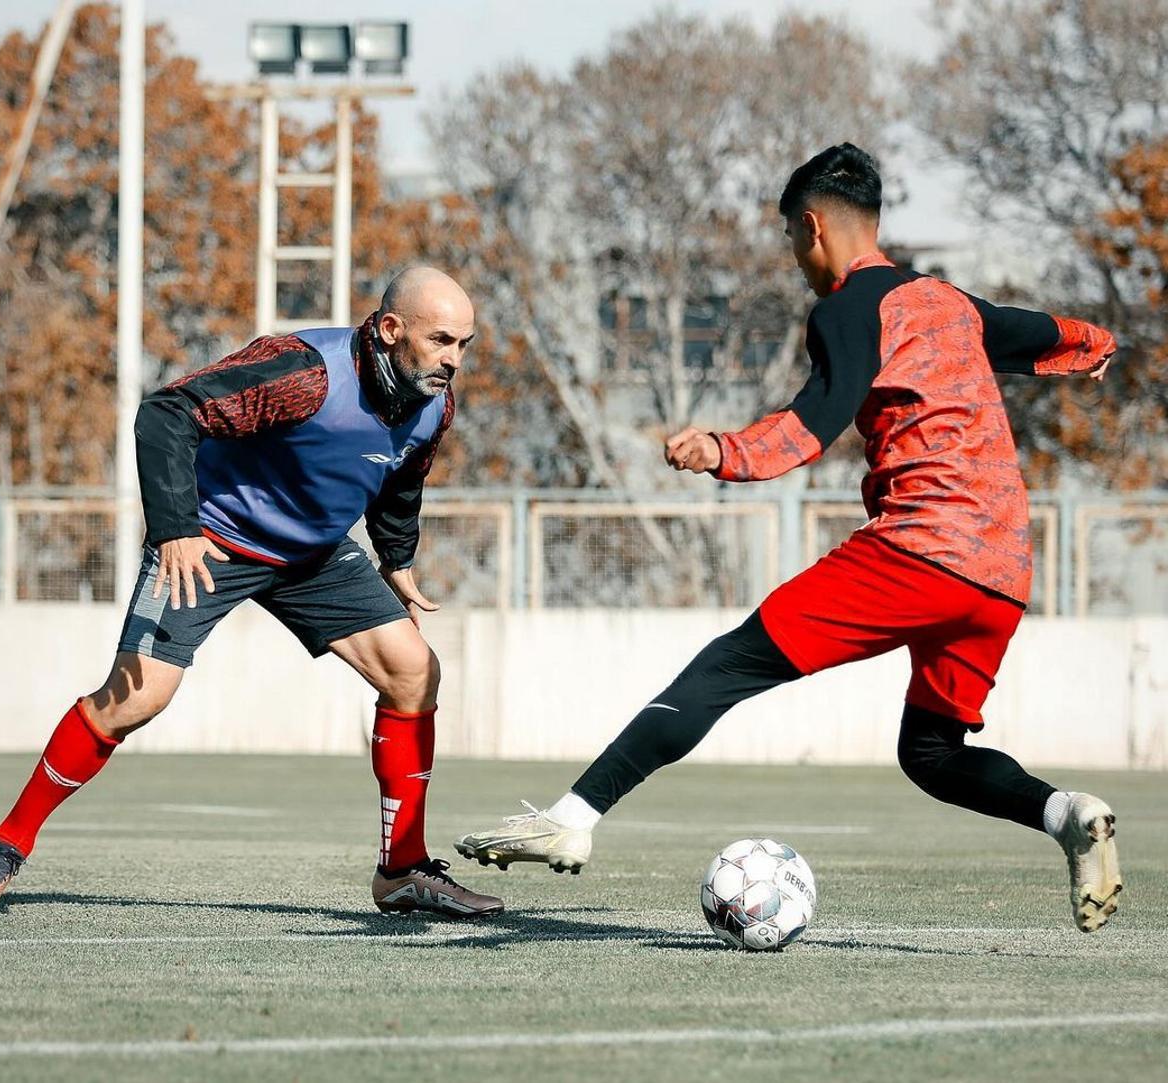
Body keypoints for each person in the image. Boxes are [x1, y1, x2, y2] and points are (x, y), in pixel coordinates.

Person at [456, 145, 1123, 933]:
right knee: (932, 753)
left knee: (729, 663)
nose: (794, 257)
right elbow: (1037, 331)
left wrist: (721, 449)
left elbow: (813, 423)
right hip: (1004, 573)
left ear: (812, 227)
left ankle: (573, 814)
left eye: (789, 239)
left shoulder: (847, 306)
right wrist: (1093, 345)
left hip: (922, 548)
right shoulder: (949, 302)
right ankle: (1066, 813)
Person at [0, 266, 503, 922]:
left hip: (313, 554)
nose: (454, 359)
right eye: (443, 339)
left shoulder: (433, 401)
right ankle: (3, 846)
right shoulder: (301, 371)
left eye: (464, 345)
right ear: (391, 330)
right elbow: (167, 415)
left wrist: (397, 559)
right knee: (135, 699)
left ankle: (402, 872)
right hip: (212, 540)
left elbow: (401, 476)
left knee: (413, 672)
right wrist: (176, 528)